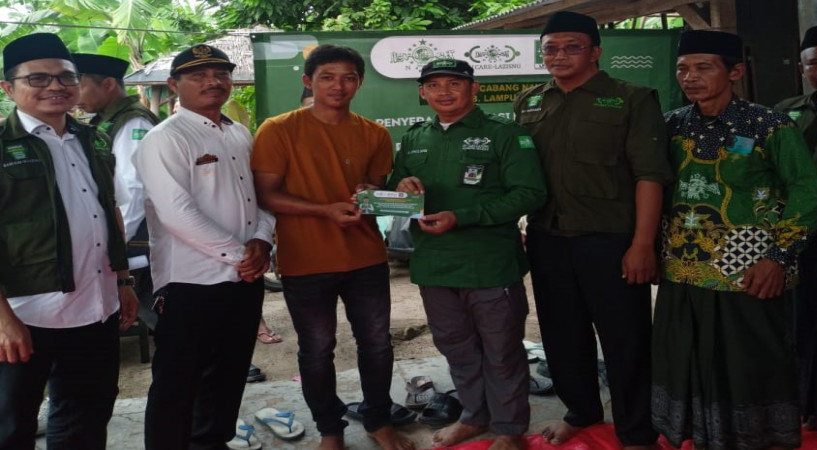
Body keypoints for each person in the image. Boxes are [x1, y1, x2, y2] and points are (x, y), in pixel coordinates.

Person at [652, 30, 817, 450]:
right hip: (684, 268)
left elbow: (810, 192)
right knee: (685, 358)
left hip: (749, 268)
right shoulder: (671, 125)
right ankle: (702, 437)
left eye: (703, 67)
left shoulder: (769, 124)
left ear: (735, 72)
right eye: (682, 69)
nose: (690, 77)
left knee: (749, 363)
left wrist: (779, 257)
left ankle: (755, 439)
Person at [513, 12, 671, 449]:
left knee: (626, 339)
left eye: (572, 47)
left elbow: (650, 175)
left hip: (611, 240)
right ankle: (581, 411)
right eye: (550, 48)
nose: (559, 55)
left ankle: (636, 430)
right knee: (562, 335)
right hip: (547, 237)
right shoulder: (529, 101)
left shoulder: (632, 98)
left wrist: (643, 244)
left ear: (595, 51)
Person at [251, 44, 413, 450]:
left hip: (365, 257)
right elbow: (267, 195)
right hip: (305, 260)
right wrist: (324, 210)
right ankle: (330, 430)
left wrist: (370, 193)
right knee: (317, 349)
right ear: (309, 81)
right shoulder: (278, 129)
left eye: (348, 78)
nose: (338, 86)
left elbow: (374, 193)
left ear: (360, 82)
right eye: (327, 77)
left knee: (376, 343)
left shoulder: (374, 133)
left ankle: (378, 420)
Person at [389, 58, 546, 450]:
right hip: (433, 263)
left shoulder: (504, 133)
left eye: (454, 83)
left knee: (502, 349)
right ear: (422, 92)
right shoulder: (415, 136)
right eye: (433, 85)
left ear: (474, 88)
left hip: (489, 263)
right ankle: (475, 417)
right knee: (456, 347)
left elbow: (530, 194)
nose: (444, 92)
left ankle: (509, 429)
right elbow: (396, 187)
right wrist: (401, 185)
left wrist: (463, 216)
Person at [132, 44, 275, 449]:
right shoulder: (165, 138)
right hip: (190, 283)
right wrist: (242, 255)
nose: (213, 81)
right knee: (178, 382)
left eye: (221, 73)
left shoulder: (239, 133)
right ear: (173, 85)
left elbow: (261, 196)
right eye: (198, 75)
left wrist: (262, 239)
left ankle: (212, 443)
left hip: (243, 280)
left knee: (228, 374)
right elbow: (176, 213)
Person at [0, 33, 138, 449]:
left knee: (87, 414)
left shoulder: (93, 139)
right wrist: (3, 320)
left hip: (95, 307)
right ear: (8, 88)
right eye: (38, 78)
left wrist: (123, 279)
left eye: (65, 77)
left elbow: (111, 212)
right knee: (11, 422)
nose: (55, 86)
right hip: (27, 314)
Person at [775, 23, 817, 441]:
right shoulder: (785, 111)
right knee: (801, 325)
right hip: (797, 239)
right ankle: (806, 406)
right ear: (802, 69)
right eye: (816, 63)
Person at [74, 53, 160, 327]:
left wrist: (115, 246)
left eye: (80, 85)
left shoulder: (133, 122)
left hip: (136, 243)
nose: (74, 94)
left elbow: (133, 190)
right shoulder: (105, 121)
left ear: (108, 84)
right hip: (126, 243)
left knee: (159, 320)